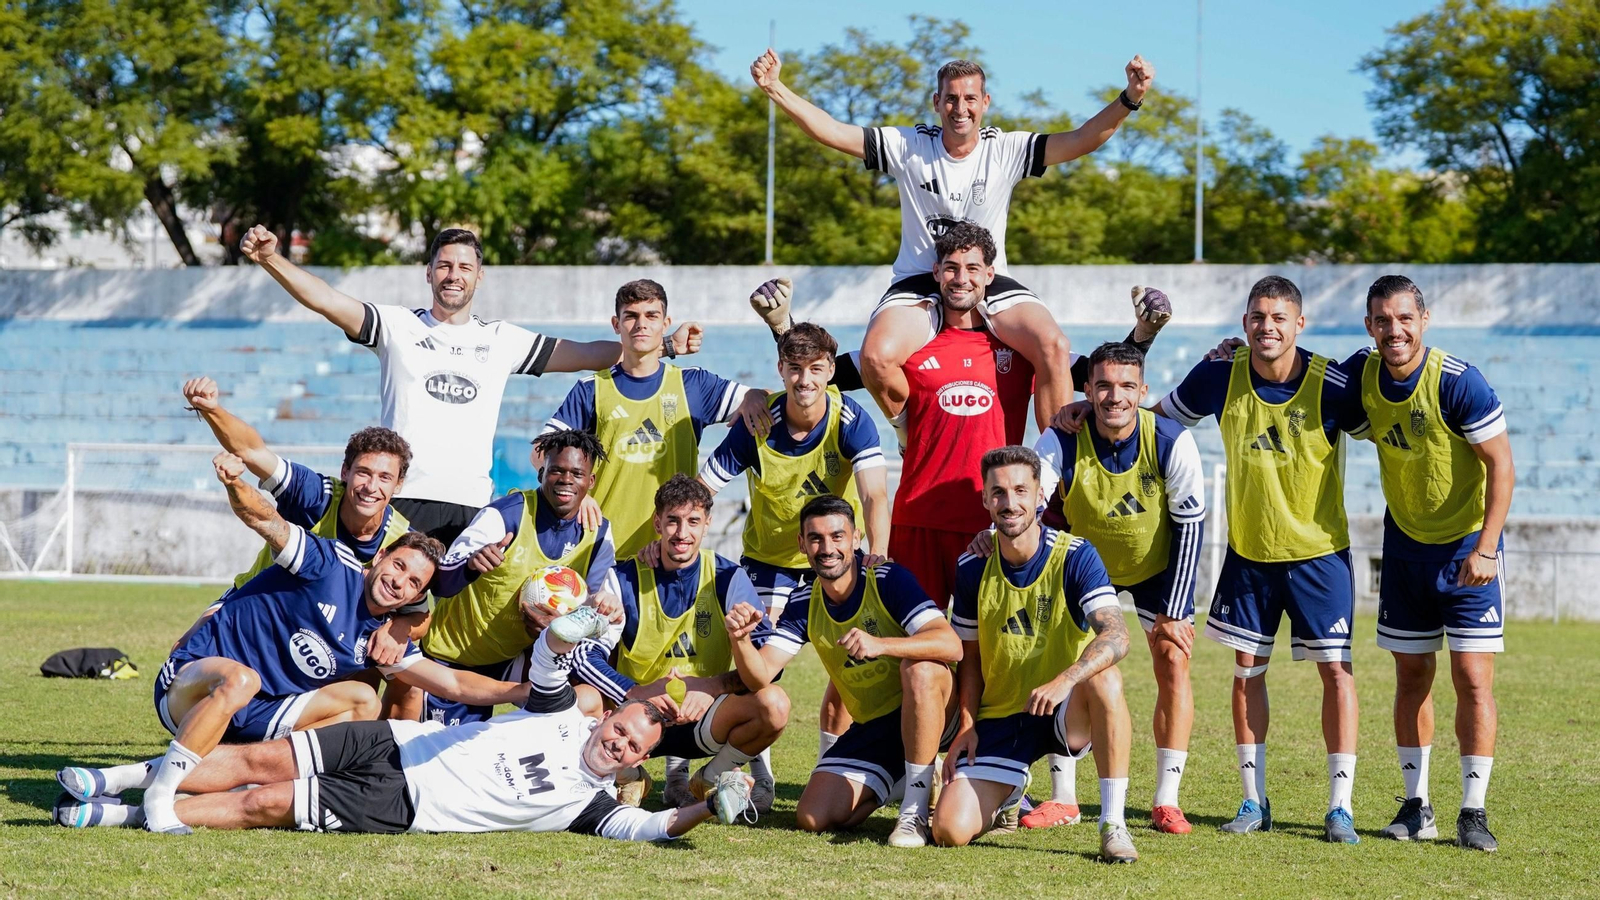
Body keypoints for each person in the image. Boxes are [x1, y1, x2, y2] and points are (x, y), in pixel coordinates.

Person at [55, 453, 536, 835]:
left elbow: (450, 681)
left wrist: (523, 693)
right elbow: (266, 519)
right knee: (241, 679)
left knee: (361, 701)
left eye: (413, 583)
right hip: (192, 682)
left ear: (416, 598)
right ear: (381, 557)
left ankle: (128, 784)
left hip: (261, 709)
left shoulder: (383, 635)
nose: (400, 582)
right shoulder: (328, 564)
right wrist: (235, 484)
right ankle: (160, 800)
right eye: (398, 567)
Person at [747, 49, 1167, 431]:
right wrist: (775, 88)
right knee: (875, 357)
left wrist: (1129, 98)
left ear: (984, 104)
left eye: (969, 99)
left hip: (988, 279)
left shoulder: (1005, 149)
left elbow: (1079, 140)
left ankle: (1053, 465)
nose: (959, 108)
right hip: (920, 280)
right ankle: (907, 432)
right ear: (936, 103)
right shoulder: (909, 145)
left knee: (1053, 344)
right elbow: (833, 132)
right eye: (950, 98)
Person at [55, 610, 758, 838]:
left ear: (636, 760)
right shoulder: (559, 716)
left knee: (262, 804)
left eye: (631, 747)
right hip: (395, 741)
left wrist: (706, 808)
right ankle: (113, 779)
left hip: (397, 804)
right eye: (621, 727)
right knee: (263, 759)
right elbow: (546, 662)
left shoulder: (592, 807)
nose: (618, 742)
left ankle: (117, 817)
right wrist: (565, 634)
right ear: (612, 715)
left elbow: (657, 829)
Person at [238, 225, 706, 545]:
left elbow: (585, 353)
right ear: (429, 273)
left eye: (464, 267)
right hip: (400, 500)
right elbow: (326, 300)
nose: (453, 275)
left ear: (479, 277)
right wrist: (270, 259)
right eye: (444, 265)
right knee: (380, 634)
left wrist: (660, 346)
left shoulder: (500, 340)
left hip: (470, 509)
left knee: (443, 643)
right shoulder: (396, 326)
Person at [1151, 275, 1369, 843]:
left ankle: (1339, 807)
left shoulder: (1334, 384)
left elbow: (1388, 430)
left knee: (1336, 675)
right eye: (1257, 317)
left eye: (1278, 318)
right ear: (1244, 323)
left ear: (1300, 323)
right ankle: (1253, 801)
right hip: (1250, 553)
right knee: (1247, 674)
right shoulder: (1220, 374)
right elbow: (1155, 423)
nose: (1266, 327)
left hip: (1321, 554)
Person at [972, 341, 1206, 833]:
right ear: (1087, 389)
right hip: (1080, 567)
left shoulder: (1171, 439)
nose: (1113, 396)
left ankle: (1167, 798)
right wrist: (994, 533)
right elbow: (1031, 500)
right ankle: (1064, 799)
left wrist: (1176, 608)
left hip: (1154, 567)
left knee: (1173, 657)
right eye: (1102, 385)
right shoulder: (1060, 439)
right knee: (1063, 660)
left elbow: (1191, 523)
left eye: (1125, 386)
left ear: (1143, 391)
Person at [1355, 276, 1512, 852]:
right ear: (1369, 326)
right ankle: (1417, 805)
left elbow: (1502, 465)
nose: (1393, 330)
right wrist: (1235, 355)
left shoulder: (1458, 382)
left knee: (1472, 678)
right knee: (1411, 675)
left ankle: (1474, 810)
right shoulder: (1364, 374)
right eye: (1381, 320)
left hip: (1468, 549)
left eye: (1404, 319)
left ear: (1424, 319)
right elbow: (1298, 373)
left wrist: (1487, 548)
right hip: (1404, 550)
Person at [180, 376, 428, 720]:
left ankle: (377, 760)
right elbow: (253, 451)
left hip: (331, 632)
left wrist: (397, 630)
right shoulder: (318, 496)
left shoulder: (402, 541)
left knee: (395, 672)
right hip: (255, 609)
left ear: (399, 484)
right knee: (186, 663)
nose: (371, 487)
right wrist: (211, 409)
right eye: (363, 473)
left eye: (385, 478)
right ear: (345, 471)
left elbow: (420, 612)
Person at [935, 447, 1137, 863]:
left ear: (1040, 496)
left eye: (1020, 490)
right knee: (948, 830)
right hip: (1001, 718)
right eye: (999, 493)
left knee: (1106, 676)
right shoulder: (972, 566)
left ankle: (1113, 823)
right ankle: (1010, 797)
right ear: (986, 501)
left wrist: (1066, 679)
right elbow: (969, 660)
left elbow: (1117, 635)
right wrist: (967, 726)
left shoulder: (1076, 555)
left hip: (1064, 710)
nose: (1010, 503)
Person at [571, 475, 790, 815]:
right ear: (657, 522)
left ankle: (707, 779)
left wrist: (712, 685)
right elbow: (584, 656)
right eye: (672, 520)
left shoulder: (729, 578)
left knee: (773, 704)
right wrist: (637, 692)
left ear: (707, 524)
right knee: (581, 697)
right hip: (638, 719)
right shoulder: (624, 578)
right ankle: (630, 776)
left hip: (702, 718)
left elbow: (769, 671)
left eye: (693, 521)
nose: (682, 533)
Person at [753, 495, 959, 848]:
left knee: (920, 671)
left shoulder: (888, 579)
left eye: (837, 536)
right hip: (878, 728)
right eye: (815, 538)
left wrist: (882, 644)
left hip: (941, 714)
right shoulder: (803, 603)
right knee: (813, 816)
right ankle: (902, 776)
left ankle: (914, 810)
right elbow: (762, 671)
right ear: (801, 544)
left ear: (856, 539)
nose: (827, 547)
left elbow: (950, 645)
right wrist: (741, 639)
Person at [540, 278, 766, 558]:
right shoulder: (592, 390)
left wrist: (755, 394)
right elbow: (541, 453)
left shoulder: (693, 385)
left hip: (669, 552)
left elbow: (769, 403)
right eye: (631, 316)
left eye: (651, 316)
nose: (641, 324)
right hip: (600, 550)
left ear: (665, 323)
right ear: (616, 324)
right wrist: (579, 492)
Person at [421, 428, 621, 726]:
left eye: (577, 474)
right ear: (542, 473)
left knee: (584, 702)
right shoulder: (504, 516)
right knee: (439, 756)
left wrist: (562, 629)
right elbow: (440, 584)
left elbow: (595, 613)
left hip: (515, 660)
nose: (566, 480)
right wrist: (471, 566)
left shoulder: (598, 533)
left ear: (590, 481)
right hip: (456, 657)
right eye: (556, 470)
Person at [699, 321, 889, 621]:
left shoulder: (851, 420)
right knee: (760, 648)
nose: (804, 379)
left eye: (815, 368)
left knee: (858, 643)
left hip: (835, 552)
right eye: (795, 368)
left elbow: (874, 494)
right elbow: (702, 490)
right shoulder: (757, 423)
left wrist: (878, 550)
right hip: (769, 558)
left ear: (830, 371)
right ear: (781, 369)